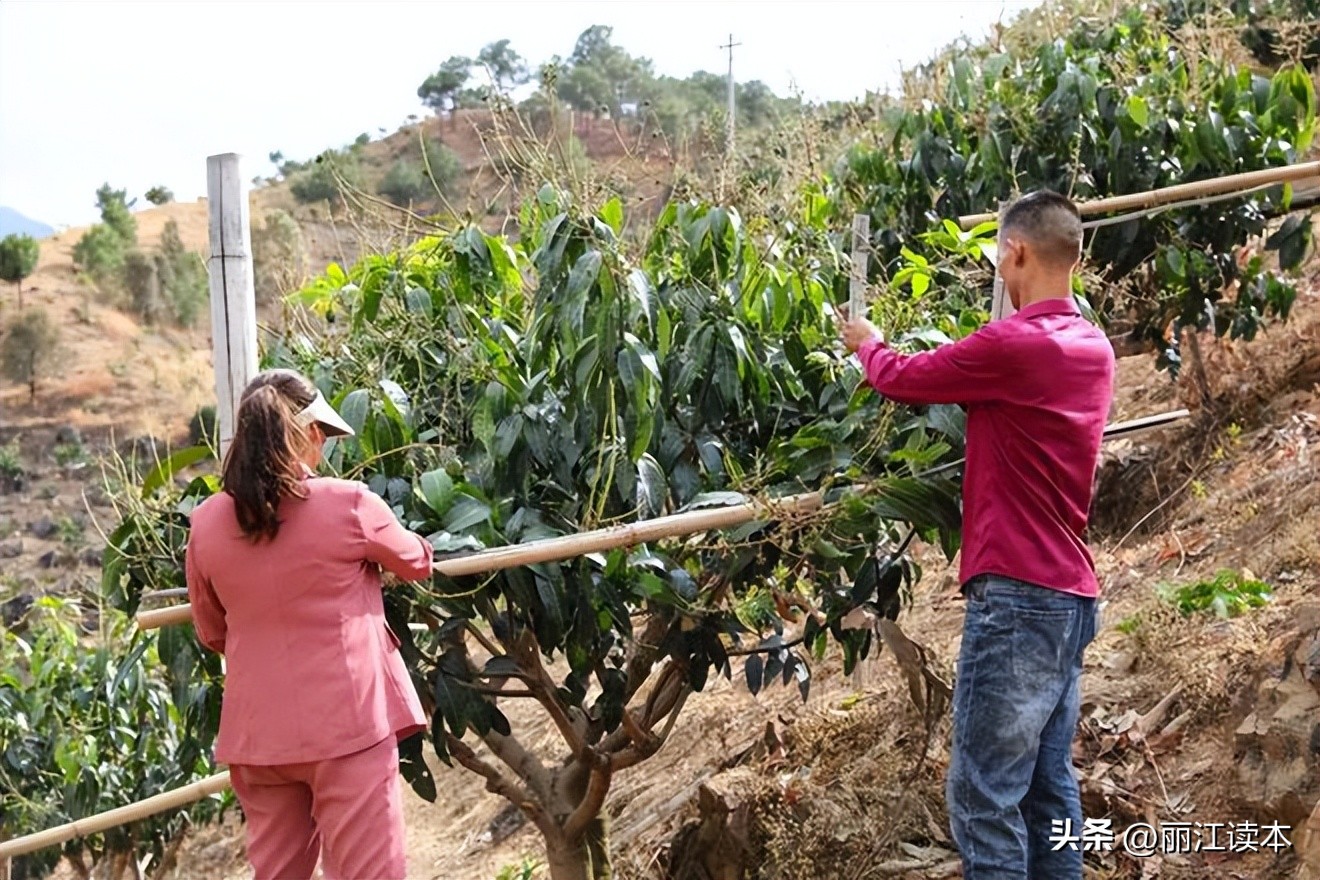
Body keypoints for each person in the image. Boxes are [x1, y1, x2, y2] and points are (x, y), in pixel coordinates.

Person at [838, 190, 1115, 879]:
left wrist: (866, 343)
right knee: (1050, 791)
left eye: (999, 250)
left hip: (1018, 601)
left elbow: (904, 378)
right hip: (1070, 598)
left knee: (982, 797)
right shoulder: (1093, 346)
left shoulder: (1013, 345)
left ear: (1015, 251)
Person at [185, 369, 433, 880]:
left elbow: (212, 631)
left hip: (258, 739)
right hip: (347, 726)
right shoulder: (350, 505)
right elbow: (416, 561)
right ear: (313, 433)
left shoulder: (206, 523)